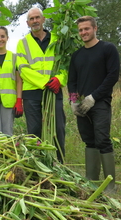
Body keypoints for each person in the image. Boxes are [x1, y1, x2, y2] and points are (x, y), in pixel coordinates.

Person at [68, 16, 120, 192]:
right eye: (81, 30)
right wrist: (73, 101)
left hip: (100, 102)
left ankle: (110, 186)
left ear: (95, 28)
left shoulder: (107, 49)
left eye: (86, 29)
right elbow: (72, 80)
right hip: (83, 104)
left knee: (102, 139)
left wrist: (94, 97)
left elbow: (112, 76)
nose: (83, 32)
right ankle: (91, 181)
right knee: (89, 141)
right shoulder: (77, 55)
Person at [16, 7, 67, 163]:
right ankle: (37, 165)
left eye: (37, 17)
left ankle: (59, 164)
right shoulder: (22, 43)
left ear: (43, 19)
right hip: (32, 93)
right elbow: (22, 69)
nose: (35, 21)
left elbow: (65, 63)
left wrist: (60, 79)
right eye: (31, 19)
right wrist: (45, 82)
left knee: (58, 129)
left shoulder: (58, 39)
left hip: (54, 90)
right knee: (34, 132)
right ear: (27, 23)